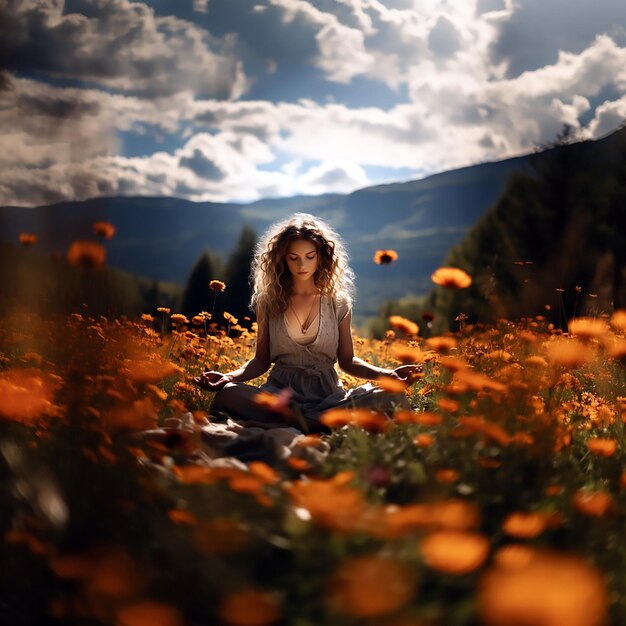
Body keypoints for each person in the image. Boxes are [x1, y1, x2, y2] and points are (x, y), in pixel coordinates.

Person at [194, 213, 421, 433]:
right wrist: (228, 377)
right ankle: (309, 424)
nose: (302, 264)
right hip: (280, 398)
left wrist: (388, 375)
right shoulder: (268, 303)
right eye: (293, 257)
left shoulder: (339, 303)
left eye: (310, 256)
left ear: (321, 256)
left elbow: (348, 361)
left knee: (392, 395)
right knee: (228, 393)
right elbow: (261, 361)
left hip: (329, 400)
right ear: (282, 258)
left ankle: (300, 424)